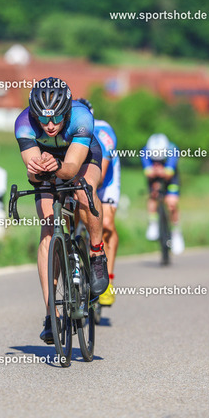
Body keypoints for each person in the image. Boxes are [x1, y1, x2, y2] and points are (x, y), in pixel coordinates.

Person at [14, 77, 108, 344]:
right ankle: (50, 315)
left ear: (66, 111)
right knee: (47, 228)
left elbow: (71, 169)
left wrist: (55, 166)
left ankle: (97, 253)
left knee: (83, 192)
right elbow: (33, 176)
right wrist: (37, 170)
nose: (50, 125)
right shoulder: (23, 123)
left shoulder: (81, 117)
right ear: (34, 114)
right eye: (43, 119)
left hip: (81, 155)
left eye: (56, 117)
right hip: (47, 159)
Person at [76, 98, 120, 306]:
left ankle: (107, 279)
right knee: (73, 214)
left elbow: (100, 177)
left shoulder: (104, 133)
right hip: (78, 176)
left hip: (105, 179)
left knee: (107, 224)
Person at [141, 133, 184, 254]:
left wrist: (158, 171)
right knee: (153, 195)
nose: (157, 161)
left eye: (160, 159)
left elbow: (169, 173)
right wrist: (157, 172)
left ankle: (176, 233)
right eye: (155, 159)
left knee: (171, 203)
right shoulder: (145, 151)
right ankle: (153, 222)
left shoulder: (173, 150)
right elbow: (148, 173)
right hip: (155, 178)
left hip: (171, 179)